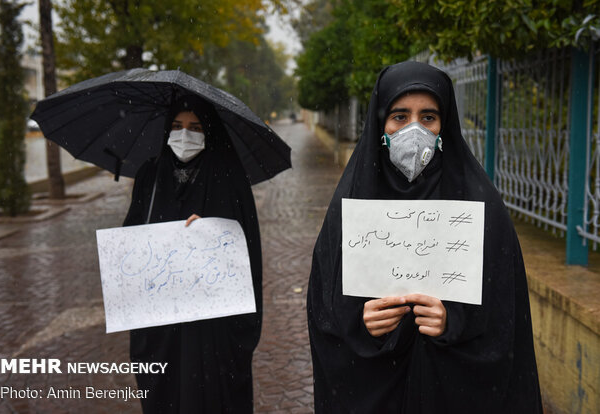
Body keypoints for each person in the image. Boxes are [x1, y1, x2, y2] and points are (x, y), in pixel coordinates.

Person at [307, 61, 543, 413]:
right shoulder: (352, 202)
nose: (414, 129)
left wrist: (455, 321)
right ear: (380, 124)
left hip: (451, 391)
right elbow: (324, 306)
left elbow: (504, 312)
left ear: (444, 125)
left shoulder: (480, 204)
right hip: (375, 390)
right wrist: (360, 323)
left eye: (428, 117)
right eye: (400, 116)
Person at [123, 95, 262, 413]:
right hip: (160, 322)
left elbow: (246, 245)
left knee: (210, 395)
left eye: (195, 127)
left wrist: (213, 230)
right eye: (176, 126)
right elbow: (131, 235)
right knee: (165, 393)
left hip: (211, 324)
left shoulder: (229, 176)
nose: (184, 135)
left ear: (209, 132)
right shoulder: (151, 175)